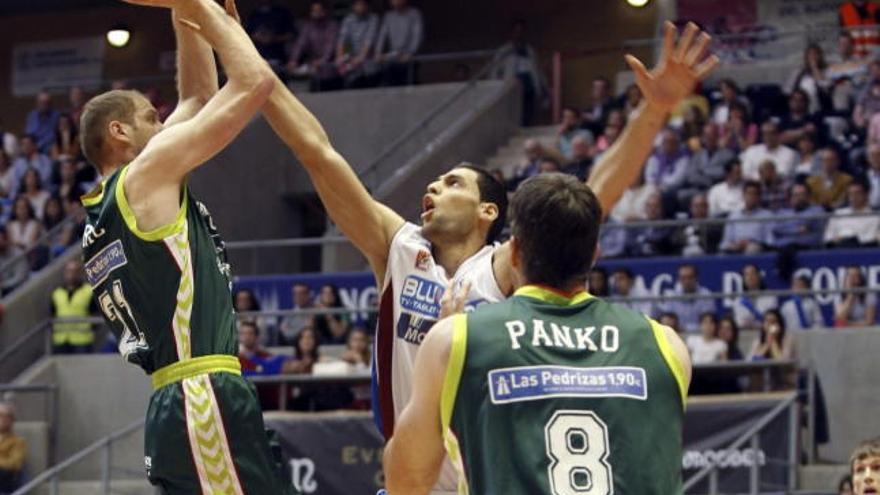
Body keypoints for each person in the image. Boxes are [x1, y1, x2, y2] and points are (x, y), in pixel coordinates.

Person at [256, 15, 716, 493]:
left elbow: (589, 201)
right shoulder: (398, 247)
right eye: (435, 181)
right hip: (408, 476)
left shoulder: (504, 266)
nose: (434, 185)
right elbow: (316, 151)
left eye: (454, 182)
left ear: (489, 211)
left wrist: (653, 111)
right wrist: (249, 65)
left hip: (484, 479)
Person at [78, 1, 289, 493]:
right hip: (201, 392)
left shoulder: (107, 210)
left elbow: (197, 97)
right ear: (120, 132)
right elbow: (255, 82)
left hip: (179, 395)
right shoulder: (145, 176)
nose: (166, 123)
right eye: (152, 117)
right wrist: (205, 10)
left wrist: (186, 13)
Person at [383, 173, 690, 494]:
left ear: (514, 252)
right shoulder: (665, 345)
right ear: (594, 255)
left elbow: (405, 483)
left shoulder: (460, 339)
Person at [492, 20, 546, 126]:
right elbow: (495, 70)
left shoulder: (530, 50)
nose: (519, 34)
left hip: (528, 82)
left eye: (521, 31)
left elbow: (537, 69)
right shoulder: (504, 50)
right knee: (513, 109)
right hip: (512, 82)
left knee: (528, 108)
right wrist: (495, 86)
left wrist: (543, 86)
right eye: (516, 31)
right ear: (511, 33)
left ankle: (527, 127)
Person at [287, 1, 339, 92]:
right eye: (314, 11)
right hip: (312, 63)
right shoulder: (308, 27)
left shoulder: (332, 27)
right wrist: (293, 60)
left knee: (324, 70)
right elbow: (300, 45)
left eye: (318, 11)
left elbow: (330, 48)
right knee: (296, 73)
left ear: (324, 12)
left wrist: (322, 61)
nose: (316, 13)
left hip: (329, 62)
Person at [375, 0, 424, 86]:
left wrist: (410, 53)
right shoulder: (388, 16)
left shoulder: (414, 14)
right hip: (393, 57)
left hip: (409, 58)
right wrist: (378, 53)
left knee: (409, 82)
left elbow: (417, 36)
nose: (395, 2)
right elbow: (382, 36)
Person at [51, 260, 95, 354]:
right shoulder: (57, 292)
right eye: (69, 271)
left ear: (80, 273)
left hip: (82, 339)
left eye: (75, 271)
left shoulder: (88, 291)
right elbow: (52, 313)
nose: (71, 274)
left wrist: (91, 328)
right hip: (61, 339)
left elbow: (95, 313)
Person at [659, 264, 717, 334]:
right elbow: (667, 322)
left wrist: (687, 329)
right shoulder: (671, 296)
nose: (686, 281)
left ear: (696, 278)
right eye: (683, 278)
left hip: (700, 336)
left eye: (690, 277)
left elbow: (709, 322)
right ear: (679, 279)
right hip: (677, 335)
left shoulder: (706, 295)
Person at [335, 0, 380, 89]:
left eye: (362, 4)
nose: (360, 7)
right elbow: (343, 41)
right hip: (352, 65)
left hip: (369, 65)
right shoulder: (348, 20)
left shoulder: (373, 19)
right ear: (353, 6)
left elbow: (369, 41)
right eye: (358, 5)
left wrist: (360, 58)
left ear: (367, 6)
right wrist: (341, 57)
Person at [769, 183, 826, 250]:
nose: (799, 198)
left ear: (808, 196)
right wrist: (797, 230)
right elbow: (776, 229)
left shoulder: (817, 211)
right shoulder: (782, 213)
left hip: (808, 248)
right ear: (790, 198)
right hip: (783, 248)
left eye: (802, 195)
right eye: (795, 195)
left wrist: (786, 231)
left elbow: (812, 228)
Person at [720, 181, 771, 253]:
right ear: (743, 195)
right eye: (749, 193)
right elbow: (725, 242)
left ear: (759, 197)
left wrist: (750, 242)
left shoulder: (766, 215)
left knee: (752, 248)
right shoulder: (733, 216)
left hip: (757, 248)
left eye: (754, 194)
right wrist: (735, 245)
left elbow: (770, 240)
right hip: (736, 248)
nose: (751, 197)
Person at [824, 182, 879, 247]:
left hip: (866, 250)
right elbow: (828, 238)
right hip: (841, 250)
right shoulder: (838, 214)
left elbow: (877, 239)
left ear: (866, 194)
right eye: (850, 194)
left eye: (857, 193)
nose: (854, 197)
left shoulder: (876, 216)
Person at [732, 264, 778, 331]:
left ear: (759, 276)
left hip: (765, 333)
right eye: (746, 274)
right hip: (744, 334)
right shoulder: (738, 299)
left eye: (753, 273)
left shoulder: (770, 296)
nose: (750, 277)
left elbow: (770, 320)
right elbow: (739, 322)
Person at [786, 43, 829, 114]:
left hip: (817, 103)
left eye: (815, 54)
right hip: (799, 101)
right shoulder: (799, 71)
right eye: (810, 54)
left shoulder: (826, 71)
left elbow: (824, 87)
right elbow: (787, 90)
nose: (813, 57)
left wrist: (815, 68)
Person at [0, 403, 26, 494]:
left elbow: (15, 464)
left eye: (7, 416)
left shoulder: (17, 441)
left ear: (12, 420)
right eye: (0, 415)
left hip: (5, 481)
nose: (3, 419)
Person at [0, 228, 28, 295]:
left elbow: (20, 278)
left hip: (20, 288)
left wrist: (3, 285)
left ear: (6, 240)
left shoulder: (17, 253)